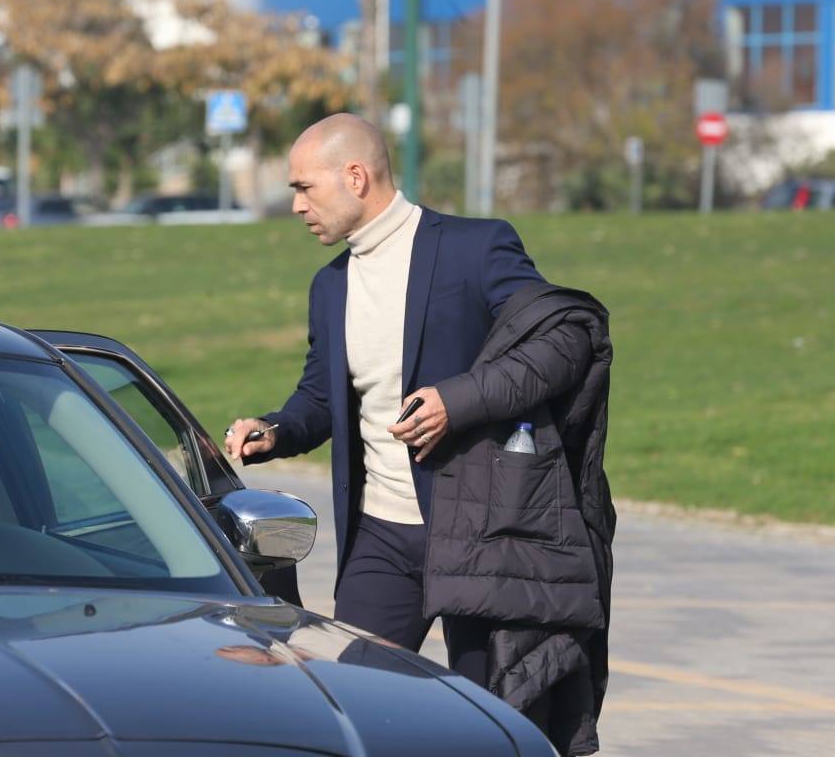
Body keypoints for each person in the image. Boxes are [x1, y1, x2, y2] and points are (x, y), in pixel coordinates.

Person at [224, 113, 614, 755]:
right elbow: (322, 398)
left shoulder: (474, 248)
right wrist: (276, 430)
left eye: (304, 187)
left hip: (479, 533)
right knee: (347, 706)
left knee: (484, 724)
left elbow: (564, 340)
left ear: (356, 176)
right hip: (381, 537)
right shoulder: (331, 286)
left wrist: (455, 402)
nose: (295, 205)